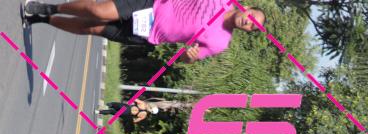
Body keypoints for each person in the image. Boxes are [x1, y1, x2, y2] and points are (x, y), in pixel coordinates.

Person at [22, 0, 265, 64]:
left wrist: (187, 56)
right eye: (253, 17)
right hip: (150, 4)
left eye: (253, 27)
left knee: (93, 28)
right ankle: (50, 8)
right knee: (99, 11)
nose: (249, 22)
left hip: (148, 34)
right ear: (249, 8)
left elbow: (184, 58)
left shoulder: (221, 42)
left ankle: (44, 19)